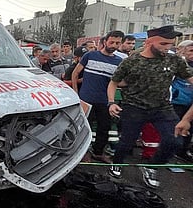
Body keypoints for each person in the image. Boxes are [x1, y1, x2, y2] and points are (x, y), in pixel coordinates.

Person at [107, 25, 193, 188]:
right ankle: (117, 162)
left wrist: (187, 119)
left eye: (170, 44)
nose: (167, 48)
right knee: (127, 141)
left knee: (175, 141)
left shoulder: (174, 60)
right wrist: (111, 102)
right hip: (134, 107)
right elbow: (114, 82)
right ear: (149, 42)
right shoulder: (132, 61)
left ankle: (151, 167)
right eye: (163, 44)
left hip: (162, 108)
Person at [72, 30, 124, 163]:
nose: (114, 45)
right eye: (111, 42)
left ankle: (98, 153)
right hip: (85, 100)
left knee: (104, 128)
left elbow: (119, 82)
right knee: (83, 128)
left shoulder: (119, 62)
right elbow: (75, 73)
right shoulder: (90, 55)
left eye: (117, 43)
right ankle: (83, 153)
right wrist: (75, 93)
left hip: (105, 101)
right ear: (105, 42)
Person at [171, 40, 193, 162]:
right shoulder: (178, 64)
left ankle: (182, 152)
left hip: (191, 104)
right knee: (174, 127)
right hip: (177, 101)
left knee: (189, 129)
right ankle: (170, 152)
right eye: (191, 51)